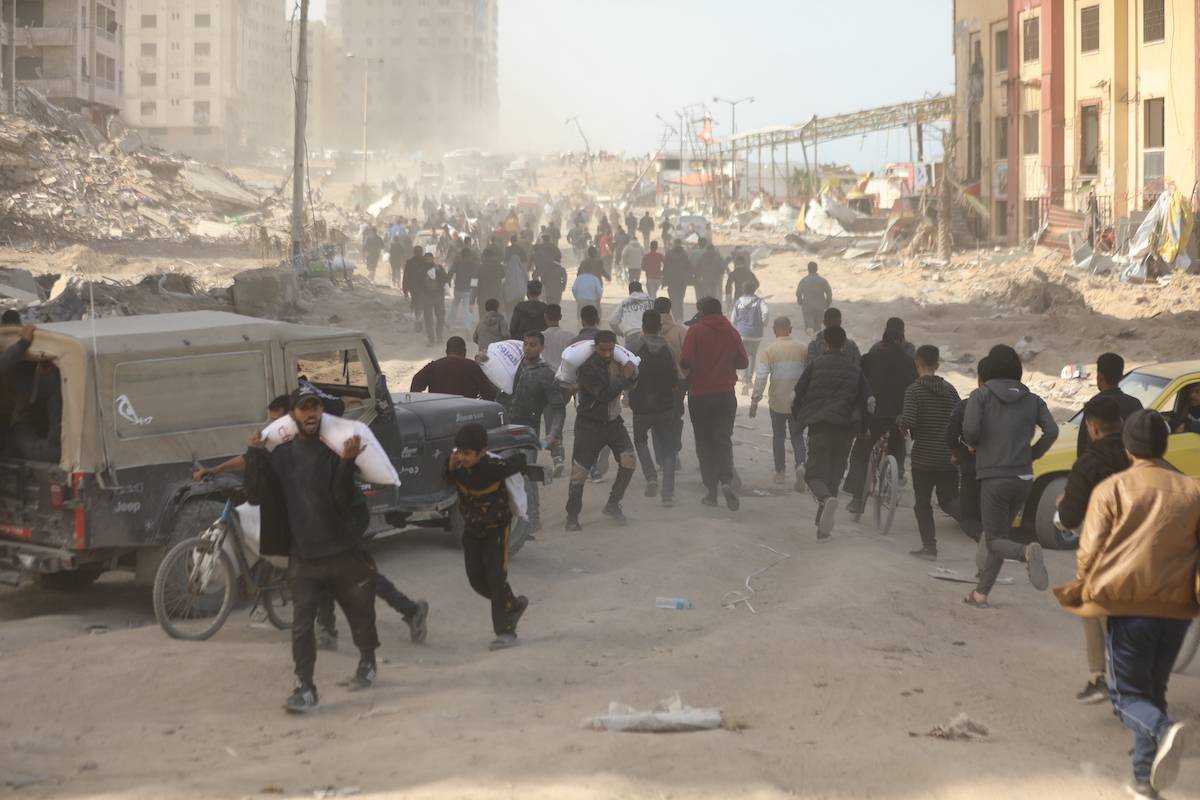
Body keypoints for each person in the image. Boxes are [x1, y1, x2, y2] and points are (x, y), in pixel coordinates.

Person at [1054, 409, 1200, 799]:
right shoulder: (1192, 489)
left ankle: (1165, 729)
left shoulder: (1112, 489)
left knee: (1127, 699)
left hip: (1131, 606)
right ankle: (1143, 781)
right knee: (1154, 687)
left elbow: (1089, 551)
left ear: (1130, 448)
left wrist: (1089, 589)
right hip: (1178, 609)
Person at [243, 385, 381, 712]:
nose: (311, 413)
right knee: (302, 624)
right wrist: (254, 457)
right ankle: (305, 686)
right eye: (305, 408)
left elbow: (342, 501)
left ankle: (368, 661)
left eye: (315, 407)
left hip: (341, 551)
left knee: (360, 612)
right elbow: (254, 495)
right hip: (304, 557)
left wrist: (347, 463)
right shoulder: (282, 456)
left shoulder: (333, 452)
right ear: (293, 415)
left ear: (321, 412)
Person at [962, 344, 1059, 608]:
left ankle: (1025, 552)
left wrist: (974, 443)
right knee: (998, 537)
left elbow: (970, 430)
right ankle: (980, 594)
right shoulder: (1033, 400)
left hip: (995, 478)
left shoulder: (981, 396)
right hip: (1024, 479)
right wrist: (1032, 454)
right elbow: (1051, 431)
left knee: (994, 540)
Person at [1056, 395, 1132, 706]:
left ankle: (1100, 677)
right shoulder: (1139, 456)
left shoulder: (1088, 462)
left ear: (1091, 428)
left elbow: (1070, 518)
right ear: (1122, 424)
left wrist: (1064, 505)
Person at [446, 424, 531, 651]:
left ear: (482, 452)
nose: (461, 457)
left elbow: (518, 461)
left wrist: (520, 460)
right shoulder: (456, 466)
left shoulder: (494, 467)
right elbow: (444, 479)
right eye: (459, 452)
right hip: (472, 532)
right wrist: (450, 467)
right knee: (476, 579)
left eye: (467, 454)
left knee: (495, 578)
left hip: (496, 531)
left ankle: (506, 632)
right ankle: (513, 604)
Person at [792, 326, 872, 540]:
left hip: (820, 426)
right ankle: (823, 529)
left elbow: (799, 392)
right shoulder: (855, 370)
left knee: (814, 474)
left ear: (825, 342)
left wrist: (799, 417)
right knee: (834, 474)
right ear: (844, 344)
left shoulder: (816, 365)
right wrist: (863, 428)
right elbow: (867, 399)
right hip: (845, 430)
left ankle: (825, 501)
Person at [565, 331, 639, 530]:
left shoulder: (617, 362)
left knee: (629, 462)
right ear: (595, 347)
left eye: (610, 349)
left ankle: (613, 504)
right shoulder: (588, 368)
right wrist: (625, 377)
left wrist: (632, 375)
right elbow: (603, 395)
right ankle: (572, 515)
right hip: (589, 425)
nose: (607, 354)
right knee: (579, 473)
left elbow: (631, 385)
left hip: (613, 423)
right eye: (603, 349)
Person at [681, 297, 748, 511]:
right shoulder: (731, 332)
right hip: (726, 395)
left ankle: (711, 492)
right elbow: (743, 362)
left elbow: (686, 360)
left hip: (700, 394)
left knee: (704, 442)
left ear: (701, 311)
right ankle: (726, 481)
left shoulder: (696, 331)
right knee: (722, 439)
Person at [845, 327, 916, 514]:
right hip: (898, 418)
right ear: (902, 340)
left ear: (882, 340)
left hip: (872, 416)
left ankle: (856, 499)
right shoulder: (910, 363)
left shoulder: (868, 359)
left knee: (861, 453)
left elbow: (857, 387)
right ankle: (894, 479)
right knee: (897, 447)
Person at [900, 345, 961, 561]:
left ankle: (929, 548)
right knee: (949, 500)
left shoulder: (913, 391)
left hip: (923, 458)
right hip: (948, 457)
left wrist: (899, 423)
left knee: (923, 503)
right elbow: (960, 419)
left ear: (917, 363)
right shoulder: (951, 390)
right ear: (937, 364)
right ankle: (980, 530)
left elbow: (908, 421)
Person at [505, 332, 566, 532]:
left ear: (541, 348)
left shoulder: (545, 374)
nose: (528, 347)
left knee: (528, 475)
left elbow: (558, 408)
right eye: (526, 344)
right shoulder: (516, 365)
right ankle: (516, 517)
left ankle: (533, 521)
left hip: (527, 431)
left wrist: (553, 435)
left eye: (533, 345)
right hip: (507, 428)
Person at [629, 310, 680, 507]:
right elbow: (675, 380)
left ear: (642, 327)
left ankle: (651, 477)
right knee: (668, 449)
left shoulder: (634, 347)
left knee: (640, 441)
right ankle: (667, 495)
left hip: (640, 406)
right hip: (665, 406)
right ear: (659, 328)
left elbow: (628, 376)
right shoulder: (668, 349)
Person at [751, 316, 807, 490]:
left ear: (775, 330)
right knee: (797, 436)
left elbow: (761, 377)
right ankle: (800, 465)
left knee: (779, 436)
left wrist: (755, 399)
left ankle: (780, 472)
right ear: (790, 329)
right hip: (798, 401)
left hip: (777, 401)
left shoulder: (770, 350)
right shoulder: (803, 348)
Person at [947, 357, 990, 542]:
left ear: (979, 378)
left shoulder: (966, 405)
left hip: (973, 471)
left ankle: (1015, 551)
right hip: (1006, 471)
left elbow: (951, 436)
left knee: (969, 519)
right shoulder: (1017, 406)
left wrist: (957, 454)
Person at [1078, 352, 1143, 455]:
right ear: (1121, 376)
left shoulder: (1094, 405)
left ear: (1099, 377)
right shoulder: (1135, 404)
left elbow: (1083, 446)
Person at [411, 337, 497, 400]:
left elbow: (416, 382)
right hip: (466, 414)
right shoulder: (473, 366)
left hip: (438, 412)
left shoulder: (433, 366)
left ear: (446, 351)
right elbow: (489, 394)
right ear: (464, 351)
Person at [729, 280, 769, 393]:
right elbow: (765, 313)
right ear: (754, 289)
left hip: (742, 334)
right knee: (752, 355)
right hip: (756, 334)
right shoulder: (760, 301)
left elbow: (733, 319)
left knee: (743, 355)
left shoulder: (738, 302)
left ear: (743, 289)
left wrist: (738, 326)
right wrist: (763, 323)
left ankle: (744, 380)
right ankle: (749, 380)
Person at [447, 239, 480, 331]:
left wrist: (448, 282)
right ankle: (467, 327)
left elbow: (450, 273)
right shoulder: (474, 265)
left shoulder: (457, 263)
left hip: (458, 289)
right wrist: (473, 289)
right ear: (469, 255)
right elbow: (475, 278)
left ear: (462, 255)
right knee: (466, 310)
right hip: (468, 290)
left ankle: (450, 323)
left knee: (454, 306)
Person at [416, 252, 449, 346]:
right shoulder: (438, 268)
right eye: (427, 259)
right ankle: (437, 337)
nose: (428, 261)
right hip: (436, 296)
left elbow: (418, 284)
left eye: (428, 259)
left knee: (430, 318)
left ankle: (433, 339)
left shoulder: (421, 269)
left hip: (429, 296)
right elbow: (445, 279)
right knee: (438, 317)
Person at [795, 262, 833, 333]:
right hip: (820, 306)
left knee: (809, 327)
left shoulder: (804, 280)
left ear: (808, 269)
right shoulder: (823, 281)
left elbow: (798, 293)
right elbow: (829, 293)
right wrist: (827, 304)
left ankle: (811, 341)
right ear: (817, 269)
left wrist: (801, 302)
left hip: (807, 306)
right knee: (818, 327)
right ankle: (817, 340)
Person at [474, 238, 505, 315]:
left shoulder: (479, 268)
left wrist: (472, 299)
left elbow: (473, 283)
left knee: (483, 318)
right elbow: (504, 279)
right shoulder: (500, 267)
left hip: (482, 298)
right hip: (496, 297)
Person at [663, 239, 693, 317]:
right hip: (682, 280)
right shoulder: (685, 254)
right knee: (680, 299)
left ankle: (676, 316)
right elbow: (688, 267)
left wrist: (664, 281)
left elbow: (665, 268)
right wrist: (689, 277)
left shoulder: (669, 254)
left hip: (672, 280)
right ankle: (680, 316)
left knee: (673, 299)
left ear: (674, 244)